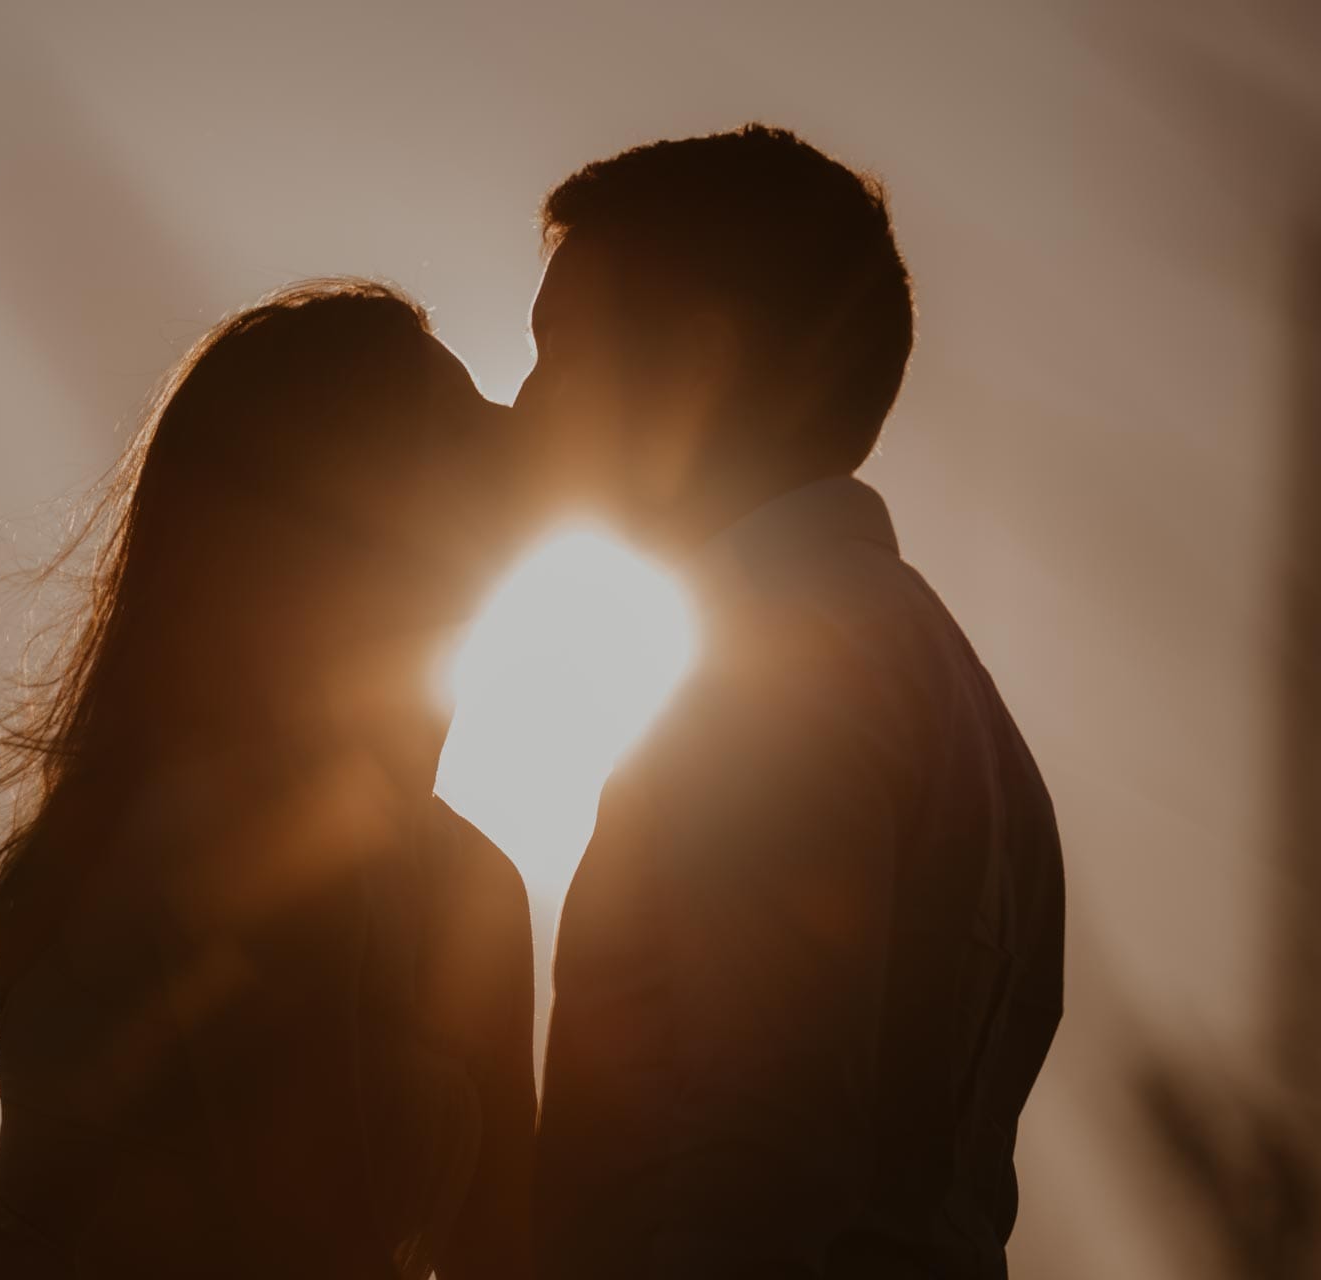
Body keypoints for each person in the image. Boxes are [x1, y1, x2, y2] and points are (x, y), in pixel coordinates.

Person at [0, 281, 535, 1279]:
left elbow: (502, 1246)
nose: (507, 437)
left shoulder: (467, 876)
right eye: (454, 428)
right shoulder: (228, 828)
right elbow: (300, 1224)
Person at [522, 126, 1065, 1278]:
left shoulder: (778, 671)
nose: (526, 403)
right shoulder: (951, 693)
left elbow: (752, 1158)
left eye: (561, 348)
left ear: (698, 362)